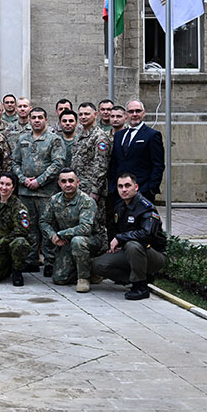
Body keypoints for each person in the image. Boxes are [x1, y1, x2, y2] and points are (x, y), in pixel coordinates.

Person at [91, 172, 168, 300]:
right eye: (120, 186)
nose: (124, 190)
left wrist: (121, 238)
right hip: (130, 252)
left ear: (136, 187)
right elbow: (113, 230)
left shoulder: (146, 208)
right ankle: (139, 277)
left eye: (127, 185)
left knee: (133, 244)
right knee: (98, 265)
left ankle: (140, 286)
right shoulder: (119, 207)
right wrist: (115, 245)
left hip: (154, 255)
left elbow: (146, 234)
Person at [39, 169, 107, 293]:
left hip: (91, 241)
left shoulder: (86, 201)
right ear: (59, 183)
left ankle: (83, 278)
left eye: (71, 181)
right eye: (64, 181)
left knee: (78, 241)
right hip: (67, 242)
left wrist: (61, 234)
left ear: (78, 182)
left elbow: (85, 228)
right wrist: (53, 235)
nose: (68, 184)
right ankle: (91, 270)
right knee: (59, 278)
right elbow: (44, 222)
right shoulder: (55, 200)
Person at [11, 107, 62, 273]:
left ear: (46, 119)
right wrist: (23, 179)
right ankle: (31, 259)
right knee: (29, 227)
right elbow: (15, 162)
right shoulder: (23, 139)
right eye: (34, 118)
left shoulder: (54, 140)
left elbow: (58, 164)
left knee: (47, 226)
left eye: (40, 117)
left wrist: (39, 181)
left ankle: (50, 262)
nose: (37, 120)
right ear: (30, 120)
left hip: (46, 192)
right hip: (25, 192)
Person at [108, 100, 165, 205]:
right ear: (126, 115)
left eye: (138, 111)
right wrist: (112, 187)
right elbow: (114, 163)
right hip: (119, 192)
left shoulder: (152, 135)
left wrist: (151, 189)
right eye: (131, 111)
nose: (134, 114)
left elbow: (158, 164)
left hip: (142, 192)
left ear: (144, 113)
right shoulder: (119, 135)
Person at [72, 102, 111, 240]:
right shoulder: (80, 134)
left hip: (92, 190)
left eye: (87, 114)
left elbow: (101, 166)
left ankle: (101, 256)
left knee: (96, 224)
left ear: (95, 115)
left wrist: (95, 191)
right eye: (81, 114)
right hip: (79, 188)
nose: (83, 117)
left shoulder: (100, 137)